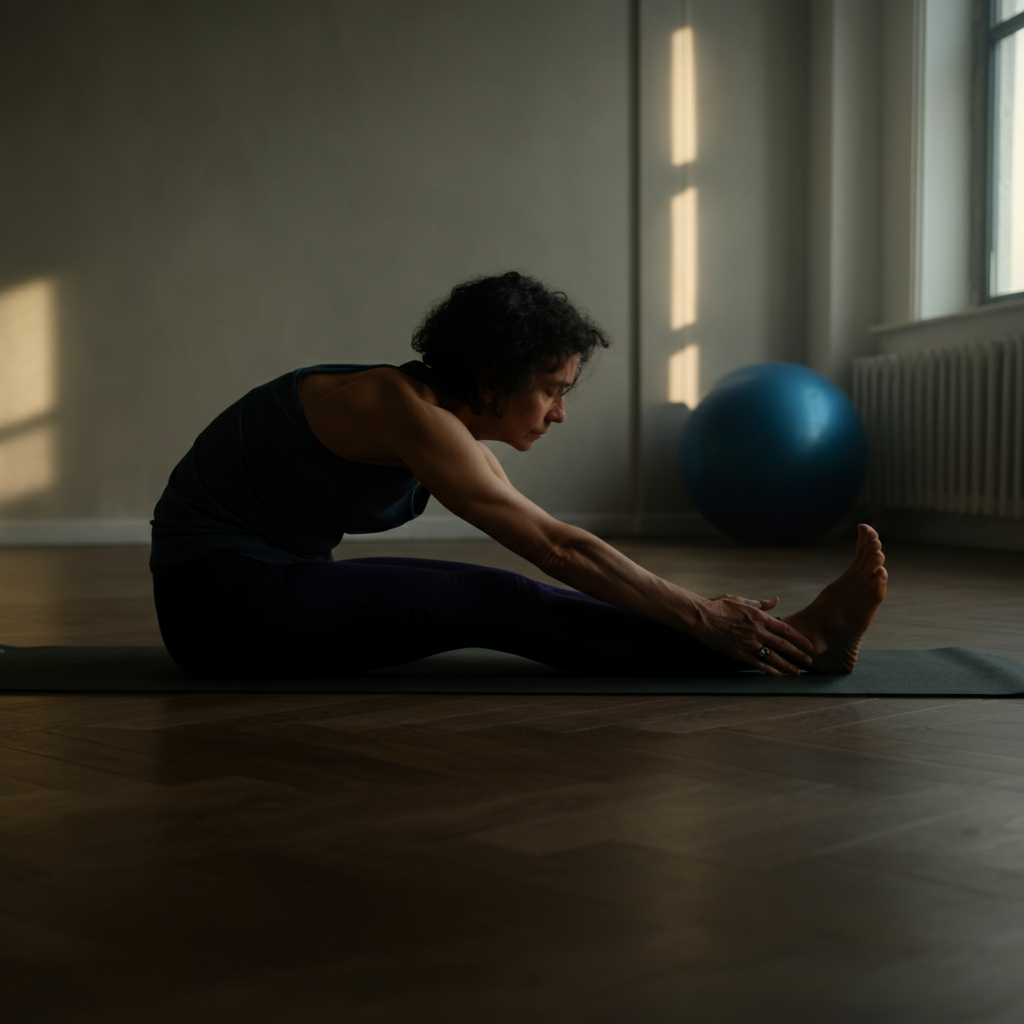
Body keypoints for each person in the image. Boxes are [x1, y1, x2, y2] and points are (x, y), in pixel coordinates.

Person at [150, 271, 887, 679]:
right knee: (494, 596)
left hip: (262, 586)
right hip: (220, 608)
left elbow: (562, 548)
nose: (559, 413)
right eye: (553, 388)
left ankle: (768, 641)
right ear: (490, 375)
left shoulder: (440, 427)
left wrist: (687, 608)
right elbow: (557, 550)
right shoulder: (397, 408)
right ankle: (779, 645)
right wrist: (696, 612)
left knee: (504, 598)